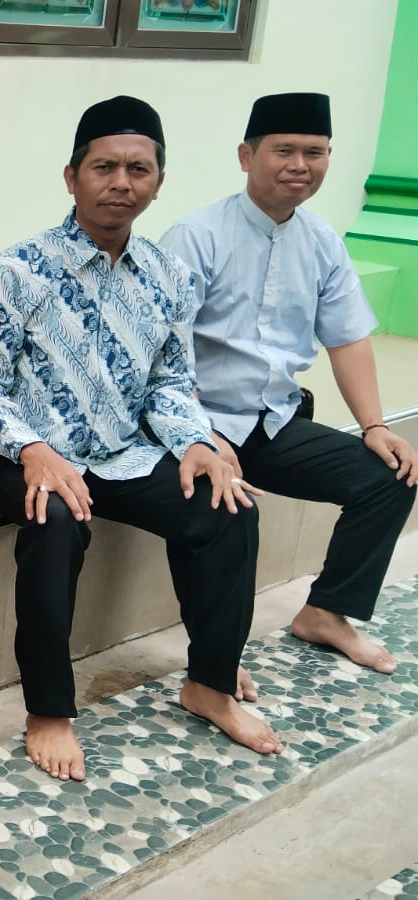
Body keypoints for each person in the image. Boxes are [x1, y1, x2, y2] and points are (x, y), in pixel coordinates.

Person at [0, 95, 284, 785]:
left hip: (118, 453)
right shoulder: (15, 273)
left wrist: (195, 442)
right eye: (103, 167)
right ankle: (48, 710)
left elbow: (170, 381)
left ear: (158, 182)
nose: (121, 182)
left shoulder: (168, 277)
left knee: (227, 505)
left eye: (138, 169)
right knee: (56, 516)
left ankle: (210, 682)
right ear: (71, 177)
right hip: (13, 452)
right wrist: (34, 451)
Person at [161, 92, 417, 675]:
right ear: (246, 156)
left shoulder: (322, 241)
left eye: (314, 152)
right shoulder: (196, 236)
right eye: (284, 151)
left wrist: (375, 426)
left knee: (389, 476)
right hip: (193, 422)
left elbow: (348, 339)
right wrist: (199, 435)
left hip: (273, 421)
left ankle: (326, 611)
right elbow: (164, 353)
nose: (300, 165)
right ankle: (213, 657)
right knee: (219, 506)